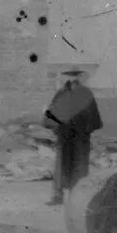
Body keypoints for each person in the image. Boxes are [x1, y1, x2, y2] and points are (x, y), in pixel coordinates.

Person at [41, 66, 103, 206]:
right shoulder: (61, 93)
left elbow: (93, 114)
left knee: (80, 166)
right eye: (69, 75)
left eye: (76, 75)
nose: (73, 78)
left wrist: (88, 130)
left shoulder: (86, 93)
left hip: (81, 136)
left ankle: (78, 197)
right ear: (65, 77)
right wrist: (55, 128)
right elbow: (52, 114)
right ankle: (58, 196)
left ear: (80, 77)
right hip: (64, 135)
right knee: (61, 165)